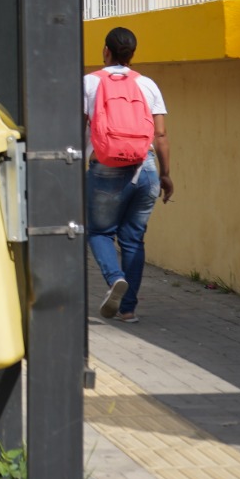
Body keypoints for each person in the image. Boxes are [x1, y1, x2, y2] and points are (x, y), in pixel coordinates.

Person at [85, 27, 172, 323]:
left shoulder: (89, 83)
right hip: (145, 168)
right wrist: (166, 175)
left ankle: (114, 279)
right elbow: (160, 134)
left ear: (105, 51)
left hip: (105, 168)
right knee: (133, 240)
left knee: (99, 232)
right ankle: (128, 310)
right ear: (132, 54)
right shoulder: (148, 85)